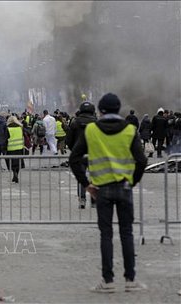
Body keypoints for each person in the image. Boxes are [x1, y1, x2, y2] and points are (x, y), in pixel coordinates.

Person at [69, 93, 147, 293]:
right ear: (118, 109)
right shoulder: (130, 130)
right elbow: (141, 160)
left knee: (106, 235)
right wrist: (133, 181)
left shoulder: (92, 130)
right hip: (124, 187)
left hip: (101, 189)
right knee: (127, 233)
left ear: (101, 111)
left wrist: (86, 184)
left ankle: (108, 281)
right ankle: (130, 280)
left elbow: (74, 158)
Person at [66, 101, 97, 209]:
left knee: (81, 178)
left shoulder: (75, 123)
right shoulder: (97, 123)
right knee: (95, 178)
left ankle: (82, 199)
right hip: (94, 154)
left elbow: (69, 140)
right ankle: (94, 200)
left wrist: (74, 150)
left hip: (79, 155)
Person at [5, 116, 24, 183]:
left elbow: (6, 138)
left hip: (10, 148)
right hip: (19, 147)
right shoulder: (20, 128)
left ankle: (14, 174)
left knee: (12, 163)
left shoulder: (7, 129)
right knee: (18, 163)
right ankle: (16, 175)